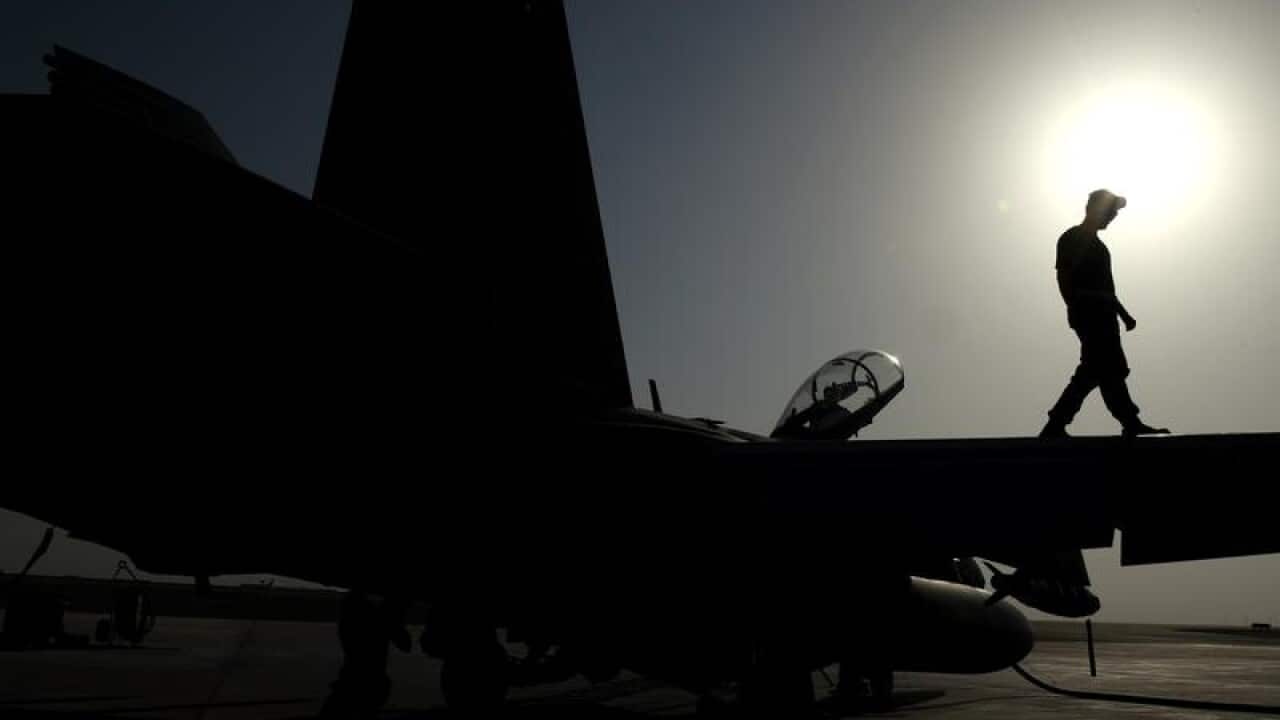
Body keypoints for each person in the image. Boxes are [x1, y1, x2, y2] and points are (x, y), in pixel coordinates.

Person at [1040, 189, 1169, 438]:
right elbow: (1064, 276)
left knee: (1108, 369)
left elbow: (1108, 289)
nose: (1112, 218)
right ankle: (1058, 422)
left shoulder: (1100, 248)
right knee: (1098, 368)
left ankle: (1128, 422)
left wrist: (1123, 314)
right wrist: (1074, 306)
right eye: (1110, 212)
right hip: (1089, 314)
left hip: (1104, 315)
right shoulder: (1073, 238)